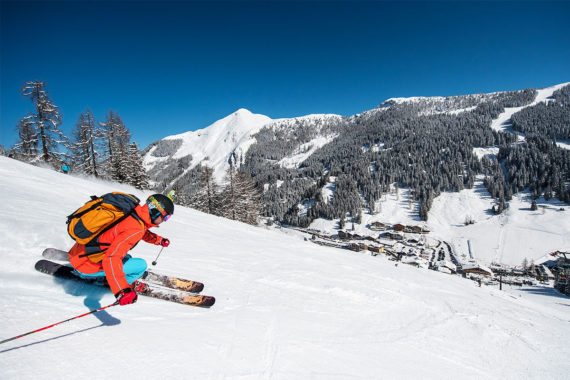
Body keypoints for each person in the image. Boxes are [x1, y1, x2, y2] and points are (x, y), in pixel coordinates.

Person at [68, 194, 174, 306]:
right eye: (166, 217)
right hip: (86, 265)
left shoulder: (132, 212)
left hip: (78, 253)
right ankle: (107, 281)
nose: (165, 220)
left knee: (128, 258)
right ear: (155, 211)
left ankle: (104, 275)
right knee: (140, 265)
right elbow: (112, 258)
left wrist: (158, 240)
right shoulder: (136, 228)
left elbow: (139, 231)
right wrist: (121, 290)